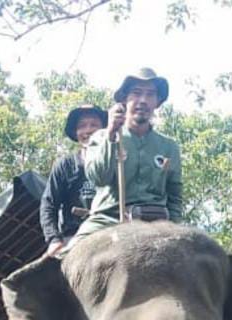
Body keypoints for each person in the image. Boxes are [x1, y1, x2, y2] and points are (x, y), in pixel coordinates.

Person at [67, 67, 183, 247]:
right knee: (66, 259)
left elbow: (175, 196)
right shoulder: (100, 137)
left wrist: (175, 229)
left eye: (150, 94)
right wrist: (112, 135)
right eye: (136, 93)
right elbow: (99, 178)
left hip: (157, 223)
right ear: (124, 99)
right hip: (108, 219)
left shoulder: (169, 147)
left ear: (157, 102)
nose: (143, 100)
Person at [39, 105, 107, 257]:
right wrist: (54, 239)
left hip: (110, 234)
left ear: (104, 130)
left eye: (94, 125)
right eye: (82, 126)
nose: (88, 130)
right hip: (74, 237)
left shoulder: (118, 163)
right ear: (76, 133)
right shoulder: (65, 165)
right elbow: (49, 204)